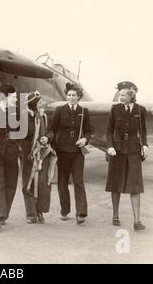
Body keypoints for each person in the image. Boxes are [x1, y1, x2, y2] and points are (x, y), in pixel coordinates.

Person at [106, 81, 147, 231]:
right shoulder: (115, 109)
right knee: (115, 184)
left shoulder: (140, 110)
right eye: (120, 94)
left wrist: (145, 145)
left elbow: (143, 130)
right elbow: (109, 130)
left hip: (134, 150)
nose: (120, 97)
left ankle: (137, 221)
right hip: (116, 150)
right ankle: (115, 215)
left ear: (131, 95)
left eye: (123, 95)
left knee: (135, 185)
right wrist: (109, 146)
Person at [50, 82, 91, 224]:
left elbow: (88, 130)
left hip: (77, 151)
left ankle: (81, 213)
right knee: (62, 182)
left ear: (79, 97)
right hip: (62, 151)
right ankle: (65, 211)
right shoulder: (59, 110)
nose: (71, 97)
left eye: (74, 95)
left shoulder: (84, 111)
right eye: (69, 95)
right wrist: (54, 147)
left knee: (78, 180)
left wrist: (85, 139)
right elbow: (52, 129)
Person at [21, 91, 56, 224]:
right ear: (34, 104)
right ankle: (31, 213)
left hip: (43, 155)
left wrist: (46, 137)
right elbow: (19, 137)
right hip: (28, 156)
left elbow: (51, 132)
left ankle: (40, 210)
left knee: (43, 183)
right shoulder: (23, 117)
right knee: (28, 183)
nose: (43, 104)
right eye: (40, 103)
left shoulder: (44, 117)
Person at [0, 85, 20, 230]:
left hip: (12, 151)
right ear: (5, 97)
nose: (16, 99)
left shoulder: (18, 112)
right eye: (13, 97)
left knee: (11, 183)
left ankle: (4, 213)